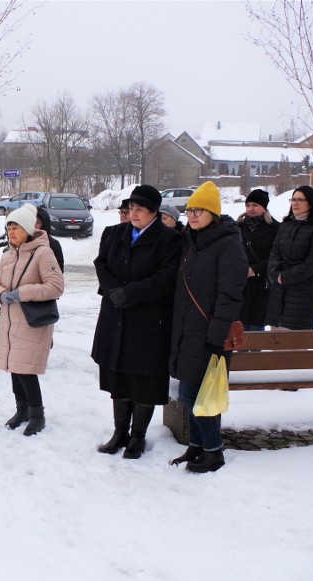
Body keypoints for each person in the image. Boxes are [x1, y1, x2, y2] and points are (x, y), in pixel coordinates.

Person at [91, 185, 183, 459]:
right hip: (115, 316)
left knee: (142, 379)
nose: (133, 213)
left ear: (154, 212)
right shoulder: (116, 233)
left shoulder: (169, 239)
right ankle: (120, 432)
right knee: (118, 378)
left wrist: (129, 293)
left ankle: (138, 437)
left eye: (140, 209)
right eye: (131, 208)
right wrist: (112, 291)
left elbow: (166, 278)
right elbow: (101, 263)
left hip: (148, 322)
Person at [169, 181, 248, 473]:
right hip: (188, 332)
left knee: (195, 394)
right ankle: (198, 446)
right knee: (191, 392)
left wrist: (216, 334)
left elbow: (231, 294)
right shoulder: (191, 241)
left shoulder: (228, 244)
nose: (192, 215)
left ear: (212, 212)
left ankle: (213, 450)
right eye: (189, 210)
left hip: (210, 334)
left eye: (198, 210)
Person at [0, 204, 64, 436]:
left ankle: (37, 414)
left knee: (26, 370)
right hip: (10, 319)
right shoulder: (8, 253)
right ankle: (21, 410)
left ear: (28, 229)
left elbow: (55, 286)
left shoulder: (43, 252)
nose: (11, 232)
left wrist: (22, 293)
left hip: (32, 320)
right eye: (9, 227)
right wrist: (1, 295)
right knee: (14, 367)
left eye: (16, 227)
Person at [265, 185, 313, 330]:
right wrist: (275, 274)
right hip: (279, 292)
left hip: (304, 294)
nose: (295, 203)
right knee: (275, 343)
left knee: (296, 345)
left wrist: (286, 277)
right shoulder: (286, 225)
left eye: (300, 200)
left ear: (310, 202)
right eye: (293, 199)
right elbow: (274, 252)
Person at [236, 189, 279, 331]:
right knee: (239, 329)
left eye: (255, 205)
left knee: (256, 327)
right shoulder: (238, 227)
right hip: (241, 283)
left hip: (262, 285)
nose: (250, 209)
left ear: (263, 207)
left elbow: (276, 256)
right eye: (248, 205)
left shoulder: (275, 228)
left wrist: (255, 270)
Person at [35, 206, 65, 272]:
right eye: (31, 221)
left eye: (37, 222)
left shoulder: (53, 244)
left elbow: (59, 269)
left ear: (44, 224)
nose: (34, 225)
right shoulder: (24, 242)